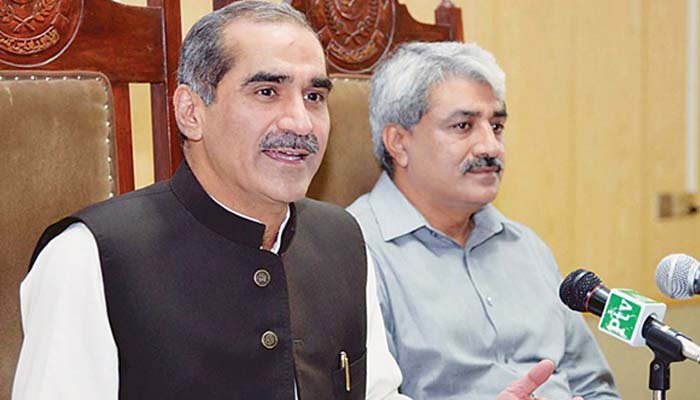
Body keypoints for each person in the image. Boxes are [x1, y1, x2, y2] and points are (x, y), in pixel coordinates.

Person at [13, 2, 581, 399]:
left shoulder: (341, 239)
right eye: (267, 91)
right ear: (191, 111)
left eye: (314, 96)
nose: (301, 123)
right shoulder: (90, 256)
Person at [348, 41, 621, 400]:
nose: (491, 147)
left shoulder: (526, 247)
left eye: (496, 126)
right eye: (463, 126)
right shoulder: (352, 252)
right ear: (399, 143)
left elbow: (595, 386)